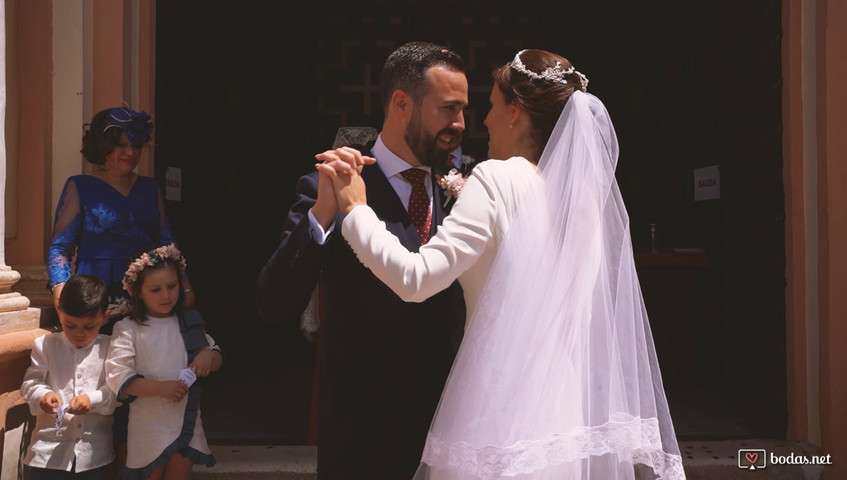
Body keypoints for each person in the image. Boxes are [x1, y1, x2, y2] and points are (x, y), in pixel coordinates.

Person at [317, 49, 686, 479]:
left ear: (515, 112)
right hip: (565, 409)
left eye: (491, 106)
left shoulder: (497, 179)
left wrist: (357, 209)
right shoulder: (585, 202)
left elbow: (415, 279)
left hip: (498, 407)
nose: (483, 122)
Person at [256, 41, 468, 479]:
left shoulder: (470, 190)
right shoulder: (333, 185)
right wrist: (322, 215)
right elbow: (273, 303)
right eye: (448, 109)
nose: (459, 124)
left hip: (452, 432)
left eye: (464, 110)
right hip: (362, 439)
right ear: (401, 103)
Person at [47, 106, 195, 321]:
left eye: (135, 145)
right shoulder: (79, 185)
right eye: (121, 145)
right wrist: (60, 287)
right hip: (97, 294)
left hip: (147, 295)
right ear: (103, 146)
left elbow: (167, 242)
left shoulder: (150, 187)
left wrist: (185, 285)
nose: (130, 152)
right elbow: (60, 247)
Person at [105, 244, 222, 480]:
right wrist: (160, 388)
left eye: (172, 286)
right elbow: (119, 378)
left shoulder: (189, 321)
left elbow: (215, 353)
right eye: (155, 289)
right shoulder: (128, 329)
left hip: (185, 420)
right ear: (138, 292)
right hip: (149, 424)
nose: (166, 295)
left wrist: (209, 356)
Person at [21, 274, 118, 479]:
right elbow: (30, 383)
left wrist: (91, 400)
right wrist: (43, 396)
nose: (79, 333)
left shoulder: (111, 348)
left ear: (105, 316)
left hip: (94, 456)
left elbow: (118, 390)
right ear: (59, 313)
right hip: (47, 456)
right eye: (70, 325)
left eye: (89, 326)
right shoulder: (45, 345)